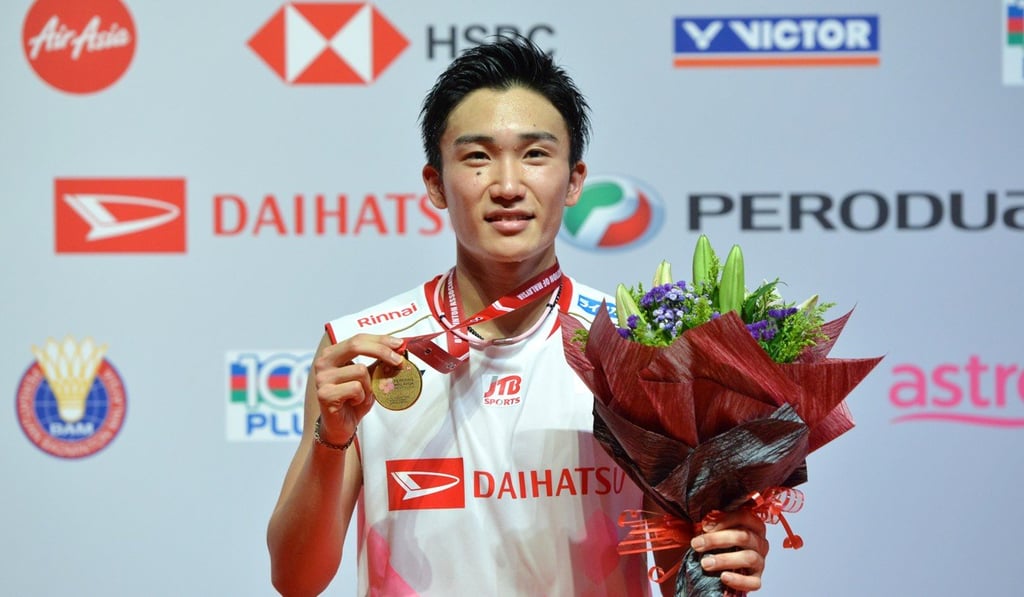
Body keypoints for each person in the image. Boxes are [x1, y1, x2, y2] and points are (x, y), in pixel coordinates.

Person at [267, 35, 770, 597]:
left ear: (574, 181)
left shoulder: (637, 348)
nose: (507, 186)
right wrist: (331, 440)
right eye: (477, 157)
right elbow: (295, 580)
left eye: (534, 154)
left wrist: (723, 554)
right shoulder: (364, 350)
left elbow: (681, 572)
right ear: (435, 183)